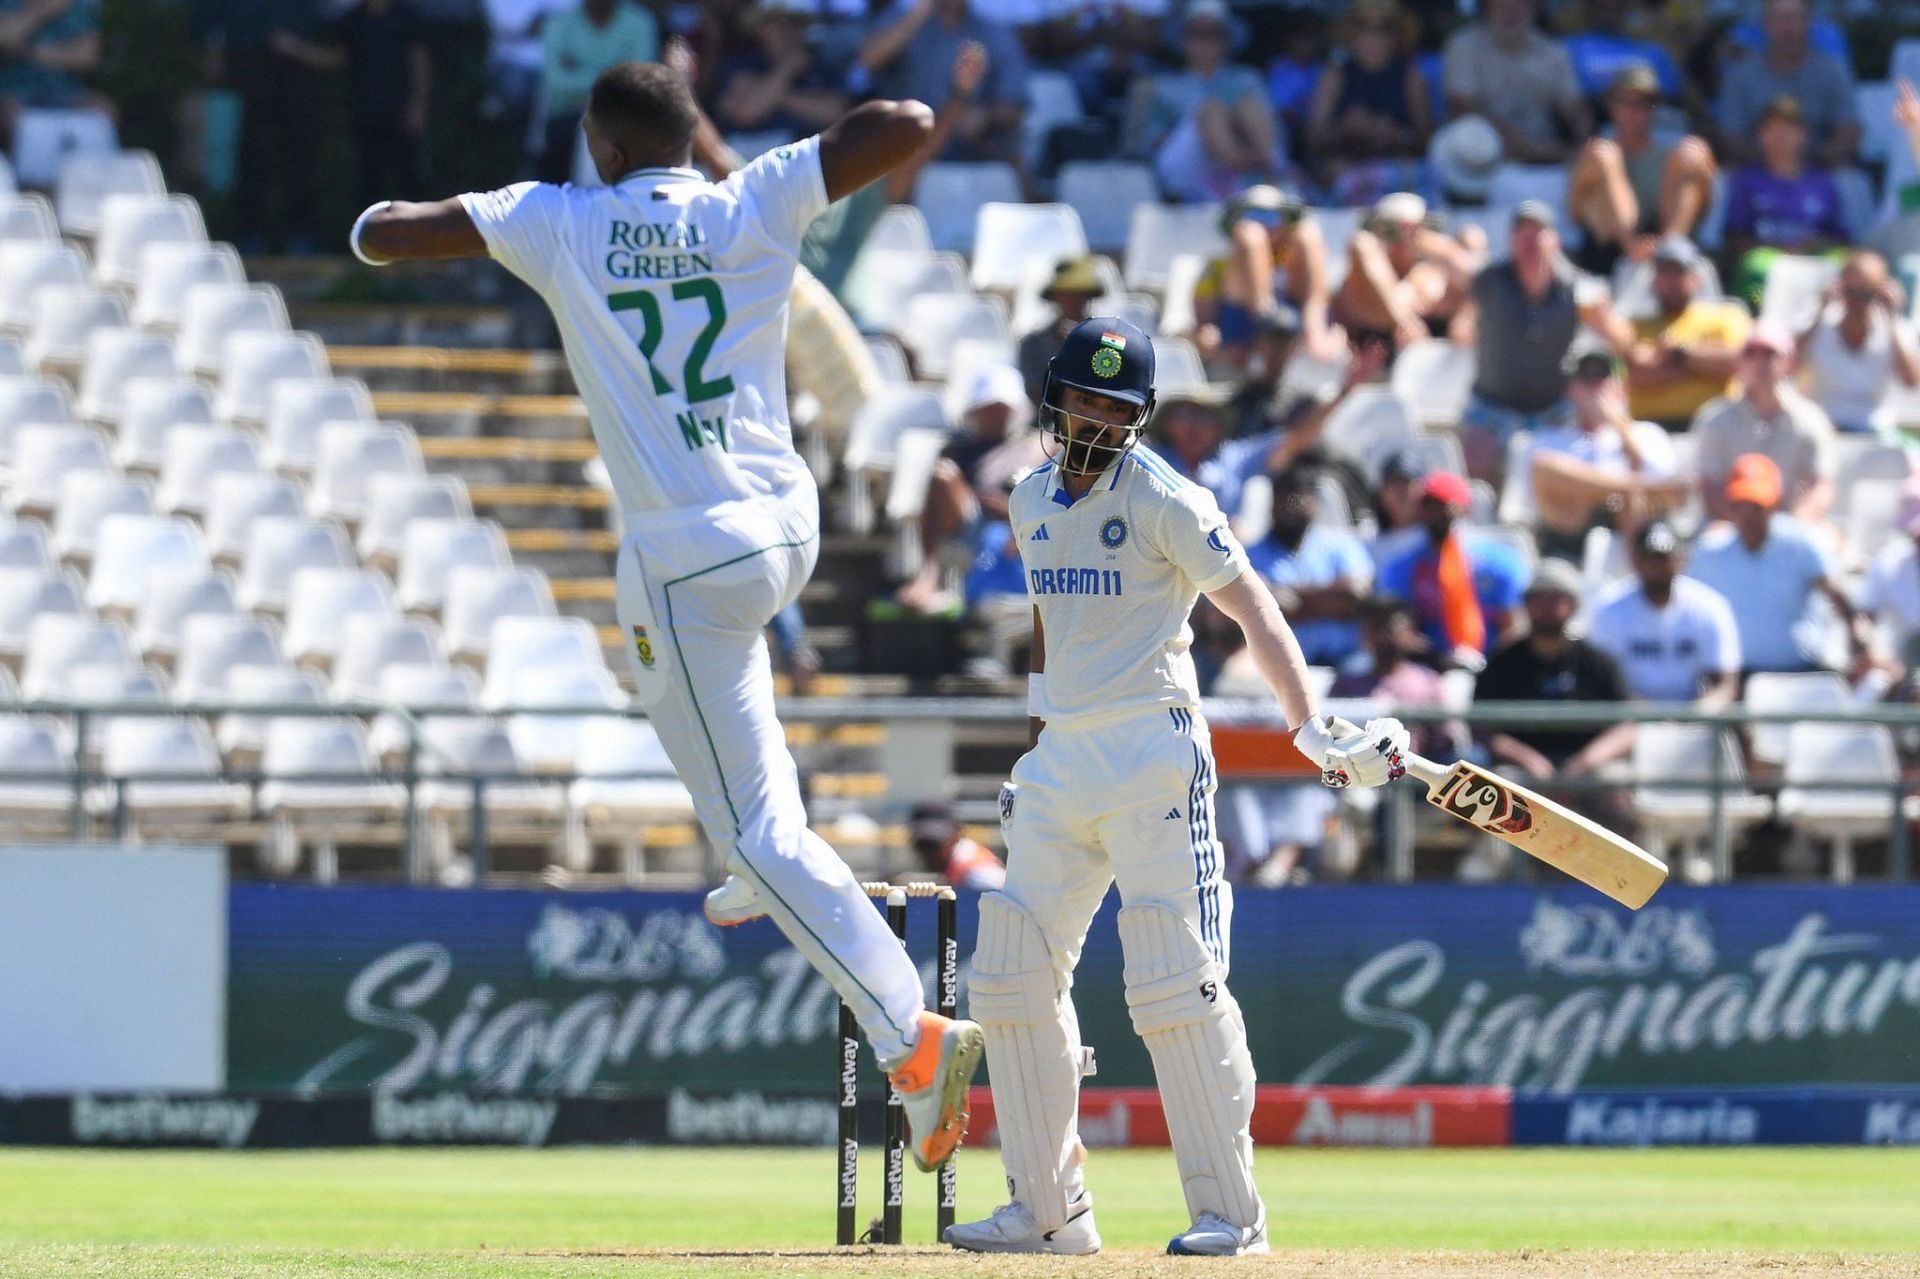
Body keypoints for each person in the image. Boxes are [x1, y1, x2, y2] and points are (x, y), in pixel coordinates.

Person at [350, 63, 984, 1175]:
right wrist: (751, 165)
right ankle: (756, 861)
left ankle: (909, 1034)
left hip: (687, 554)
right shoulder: (755, 197)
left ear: (599, 145)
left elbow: (384, 234)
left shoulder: (557, 220)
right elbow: (908, 125)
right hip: (786, 530)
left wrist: (377, 214)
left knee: (747, 810)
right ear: (696, 133)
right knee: (733, 753)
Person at [943, 314, 1408, 1256]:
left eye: (1115, 407)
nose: (1094, 421)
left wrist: (1306, 724)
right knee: (1010, 972)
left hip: (1154, 750)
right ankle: (1046, 1212)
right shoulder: (1028, 498)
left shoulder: (1168, 499)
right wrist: (1034, 753)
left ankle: (1231, 1217)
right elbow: (1048, 630)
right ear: (1054, 400)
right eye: (1081, 399)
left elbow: (1255, 609)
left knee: (1173, 979)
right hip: (1063, 759)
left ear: (1138, 416)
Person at [1452, 202, 1631, 483]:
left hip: (1555, 408)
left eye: (1538, 233)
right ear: (1511, 241)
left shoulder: (1576, 287)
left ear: (1555, 241)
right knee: (1474, 459)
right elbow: (1452, 261)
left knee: (1595, 427)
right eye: (1522, 233)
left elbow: (1624, 340)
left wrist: (1603, 319)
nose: (1530, 241)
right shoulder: (1491, 280)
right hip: (1493, 406)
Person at [1688, 454, 1868, 676]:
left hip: (1802, 673)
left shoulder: (1802, 543)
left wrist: (1857, 634)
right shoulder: (1710, 551)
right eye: (1741, 505)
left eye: (1756, 505)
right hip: (1736, 679)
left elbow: (1836, 594)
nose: (1749, 515)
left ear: (1774, 504)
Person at [1474, 559, 1636, 805]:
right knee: (1497, 788)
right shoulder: (1502, 662)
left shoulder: (1597, 662)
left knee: (1615, 782)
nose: (1548, 607)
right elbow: (1480, 726)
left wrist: (1584, 763)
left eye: (1557, 599)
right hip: (1521, 770)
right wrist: (1528, 760)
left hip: (1588, 767)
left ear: (1572, 605)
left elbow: (1626, 726)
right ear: (1526, 605)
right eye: (1540, 599)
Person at [895, 363, 1043, 611]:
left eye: (1001, 408)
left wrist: (1009, 512)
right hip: (970, 522)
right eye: (990, 408)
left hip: (1015, 525)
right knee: (943, 476)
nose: (995, 415)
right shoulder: (957, 449)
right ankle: (928, 574)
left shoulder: (1033, 448)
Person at [1525, 348, 1689, 542]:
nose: (1595, 387)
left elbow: (1662, 480)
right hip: (1571, 531)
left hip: (1632, 523)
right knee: (1546, 466)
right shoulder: (1549, 438)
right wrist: (1616, 487)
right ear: (1571, 389)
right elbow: (1540, 479)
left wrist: (1618, 426)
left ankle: (1636, 567)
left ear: (1620, 386)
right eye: (1586, 379)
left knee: (1632, 499)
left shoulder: (1646, 433)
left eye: (1603, 377)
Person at [1567, 64, 1716, 274]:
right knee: (1604, 154)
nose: (1633, 111)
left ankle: (1669, 254)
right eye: (1624, 102)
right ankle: (1633, 246)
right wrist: (1631, 245)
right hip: (1609, 256)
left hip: (1665, 256)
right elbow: (1574, 213)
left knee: (1694, 151)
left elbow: (1705, 205)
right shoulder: (1598, 152)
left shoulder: (1670, 154)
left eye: (1644, 103)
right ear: (1611, 106)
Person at [1376, 471, 1531, 669]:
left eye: (1442, 507)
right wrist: (1439, 660)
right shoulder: (1403, 567)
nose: (1434, 514)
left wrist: (1490, 667)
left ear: (1462, 509)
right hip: (1429, 667)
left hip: (1493, 667)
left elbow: (1513, 625)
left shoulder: (1498, 561)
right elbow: (1401, 628)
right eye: (1427, 507)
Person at [1689, 321, 1836, 524]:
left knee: (1831, 544)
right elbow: (1708, 488)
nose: (1760, 362)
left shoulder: (1812, 420)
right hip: (1728, 525)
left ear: (1788, 362)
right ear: (1738, 362)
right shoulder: (1714, 420)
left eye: (1770, 354)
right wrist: (1745, 530)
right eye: (1751, 353)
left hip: (1792, 524)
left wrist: (1794, 527)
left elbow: (1820, 486)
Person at [1141, 0, 1283, 203]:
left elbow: (1269, 125)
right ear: (1184, 39)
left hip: (1250, 151)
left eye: (1215, 34)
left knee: (1247, 106)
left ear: (1227, 40)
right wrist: (1211, 134)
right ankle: (1239, 170)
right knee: (1211, 110)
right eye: (1197, 33)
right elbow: (1153, 139)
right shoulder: (1167, 86)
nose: (1206, 42)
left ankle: (1264, 178)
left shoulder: (1246, 78)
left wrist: (1231, 125)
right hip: (1186, 166)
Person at [1587, 518, 1740, 705]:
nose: (1657, 567)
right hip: (1629, 717)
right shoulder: (1609, 607)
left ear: (1681, 559)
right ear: (1636, 560)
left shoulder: (1708, 605)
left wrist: (1700, 713)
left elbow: (1725, 683)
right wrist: (1644, 713)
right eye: (1650, 559)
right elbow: (1601, 681)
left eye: (1664, 558)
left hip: (1694, 718)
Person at [858, 0, 1027, 164]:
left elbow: (1015, 105)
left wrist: (986, 116)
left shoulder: (993, 32)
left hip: (967, 147)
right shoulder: (903, 15)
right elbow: (868, 61)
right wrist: (917, 15)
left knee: (1008, 146)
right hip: (904, 142)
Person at [1244, 460, 1372, 669]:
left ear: (1313, 501)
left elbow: (1354, 595)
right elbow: (1250, 608)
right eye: (1285, 495)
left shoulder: (1341, 543)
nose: (1292, 503)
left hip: (1343, 660)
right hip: (1276, 664)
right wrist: (1327, 604)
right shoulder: (1248, 554)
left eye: (1300, 494)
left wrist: (1291, 600)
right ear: (1272, 501)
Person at [1722, 95, 1849, 306]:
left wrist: (1815, 244)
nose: (1780, 137)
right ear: (1760, 135)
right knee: (1754, 268)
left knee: (1845, 263)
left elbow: (1842, 239)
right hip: (1769, 259)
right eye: (1771, 129)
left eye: (1788, 129)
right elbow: (1734, 239)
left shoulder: (1822, 183)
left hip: (1812, 258)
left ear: (1803, 134)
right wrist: (1780, 248)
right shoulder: (1746, 180)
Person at [1305, 0, 1433, 206]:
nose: (1372, 38)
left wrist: (1396, 135)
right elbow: (1314, 139)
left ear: (1396, 36)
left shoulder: (1412, 77)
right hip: (1346, 170)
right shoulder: (1335, 75)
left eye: (1384, 29)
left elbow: (1426, 141)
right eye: (1362, 27)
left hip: (1397, 173)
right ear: (1350, 34)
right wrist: (1344, 127)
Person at [1198, 185, 1343, 366]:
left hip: (1298, 325)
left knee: (1307, 233)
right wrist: (1206, 337)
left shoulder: (1296, 255)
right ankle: (1266, 319)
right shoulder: (1218, 265)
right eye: (1252, 216)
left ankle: (1312, 330)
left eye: (1270, 218)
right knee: (1251, 237)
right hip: (1241, 332)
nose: (1262, 226)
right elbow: (1204, 324)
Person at [1622, 234, 1750, 431]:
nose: (1672, 280)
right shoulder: (1635, 325)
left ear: (1696, 278)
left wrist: (1676, 352)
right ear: (1654, 279)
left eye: (1679, 272)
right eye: (1665, 272)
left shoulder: (1726, 315)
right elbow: (1637, 373)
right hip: (1650, 429)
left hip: (1714, 429)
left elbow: (1735, 361)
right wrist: (1703, 363)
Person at [1714, 0, 1858, 170]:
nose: (1786, 28)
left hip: (1819, 168)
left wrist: (1806, 163)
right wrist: (1776, 163)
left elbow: (1849, 130)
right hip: (1755, 169)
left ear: (1808, 22)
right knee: (1721, 182)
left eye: (1793, 18)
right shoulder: (1740, 75)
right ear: (1765, 24)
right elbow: (1731, 136)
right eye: (1778, 19)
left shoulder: (1833, 71)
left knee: (1851, 184)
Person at [1441, 0, 1588, 166]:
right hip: (1479, 163)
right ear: (1486, 7)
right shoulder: (1463, 46)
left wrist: (1584, 144)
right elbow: (1463, 108)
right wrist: (1526, 146)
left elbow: (1575, 108)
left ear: (1534, 8)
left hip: (1547, 161)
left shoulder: (1554, 52)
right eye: (1501, 5)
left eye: (1519, 4)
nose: (1509, 13)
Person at [1334, 191, 1483, 353]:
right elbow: (1361, 247)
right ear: (1378, 230)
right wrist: (1404, 319)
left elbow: (1478, 275)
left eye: (1412, 230)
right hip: (1369, 356)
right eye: (1392, 230)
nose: (1402, 239)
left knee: (1472, 239)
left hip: (1431, 356)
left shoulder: (1431, 273)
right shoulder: (1363, 267)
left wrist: (1465, 318)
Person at [320, 0, 433, 209]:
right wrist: (294, 48)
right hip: (365, 113)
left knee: (412, 181)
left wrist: (418, 105)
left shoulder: (406, 16)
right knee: (368, 183)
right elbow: (336, 58)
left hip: (401, 114)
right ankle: (371, 238)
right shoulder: (351, 19)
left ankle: (422, 238)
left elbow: (420, 63)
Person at [1794, 250, 1920, 436]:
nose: (1858, 302)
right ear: (1839, 287)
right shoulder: (1816, 323)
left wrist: (1892, 320)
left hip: (1873, 431)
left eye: (1867, 294)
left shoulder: (1897, 329)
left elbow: (1911, 380)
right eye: (1851, 292)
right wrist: (1820, 313)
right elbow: (1787, 366)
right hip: (1819, 428)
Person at [536, 0, 659, 182]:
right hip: (566, 126)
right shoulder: (558, 23)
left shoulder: (641, 21)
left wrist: (578, 70)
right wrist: (615, 73)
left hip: (622, 123)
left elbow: (638, 84)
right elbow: (557, 84)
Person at [713, 1, 851, 146]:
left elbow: (836, 112)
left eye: (794, 22)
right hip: (749, 151)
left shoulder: (821, 67)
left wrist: (769, 94)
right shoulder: (740, 64)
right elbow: (745, 111)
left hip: (805, 149)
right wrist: (787, 69)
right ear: (760, 28)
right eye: (774, 21)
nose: (785, 29)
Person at [0, 0, 103, 131]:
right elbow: (6, 40)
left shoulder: (75, 6)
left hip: (65, 92)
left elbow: (86, 57)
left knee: (101, 110)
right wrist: (41, 11)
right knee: (8, 115)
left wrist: (31, 52)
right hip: (13, 91)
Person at [1018, 256, 1101, 406]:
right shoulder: (1032, 344)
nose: (1074, 300)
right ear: (1055, 296)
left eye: (1080, 293)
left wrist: (1084, 347)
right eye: (1066, 293)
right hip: (1049, 423)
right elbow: (1036, 393)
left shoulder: (1107, 343)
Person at [909, 800, 1007, 890]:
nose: (928, 853)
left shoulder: (977, 876)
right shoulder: (956, 867)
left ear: (955, 837)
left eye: (934, 845)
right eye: (922, 844)